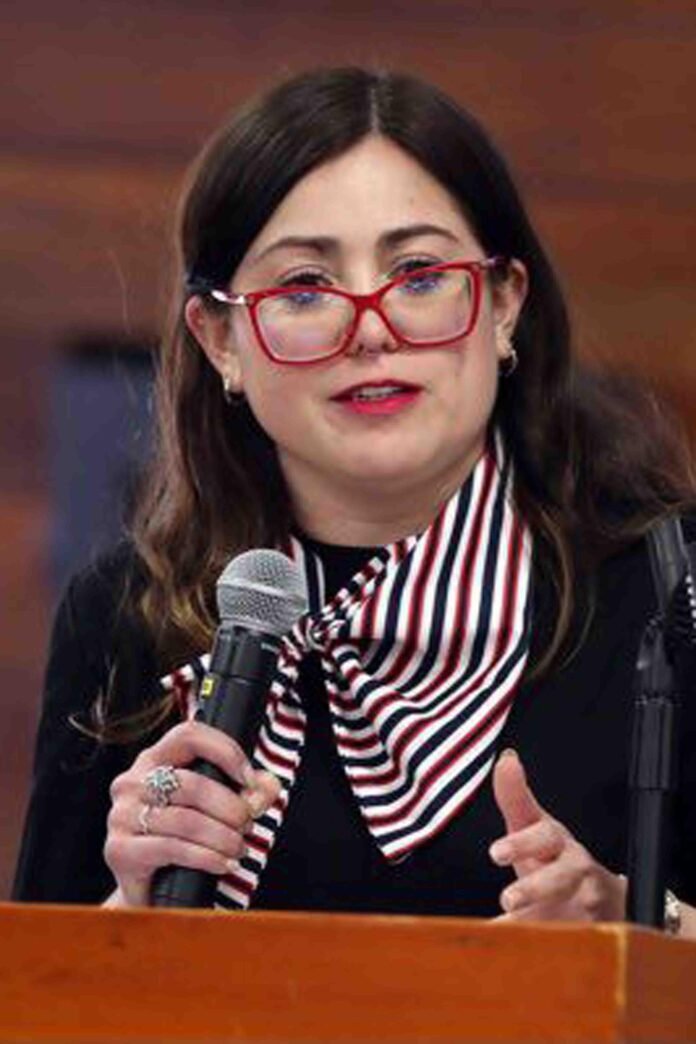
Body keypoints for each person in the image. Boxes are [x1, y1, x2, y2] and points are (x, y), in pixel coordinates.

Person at [12, 67, 696, 933]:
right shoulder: (126, 618)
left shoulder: (667, 595)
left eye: (419, 274)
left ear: (503, 305)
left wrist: (642, 927)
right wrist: (132, 906)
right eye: (305, 288)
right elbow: (42, 988)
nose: (371, 328)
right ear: (221, 340)